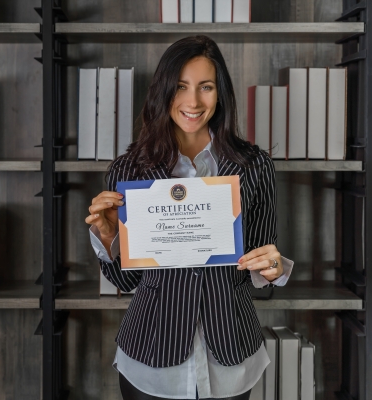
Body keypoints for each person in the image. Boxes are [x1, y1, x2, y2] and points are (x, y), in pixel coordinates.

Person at [85, 35, 294, 400]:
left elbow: (261, 264)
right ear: (163, 91)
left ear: (220, 93)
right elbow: (126, 280)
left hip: (230, 351)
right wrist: (107, 238)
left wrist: (273, 266)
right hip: (151, 355)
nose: (193, 101)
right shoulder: (128, 170)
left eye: (206, 87)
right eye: (180, 87)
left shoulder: (255, 166)